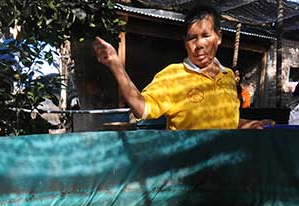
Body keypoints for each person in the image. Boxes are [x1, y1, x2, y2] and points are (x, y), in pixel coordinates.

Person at [93, 4, 272, 130]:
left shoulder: (228, 76)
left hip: (224, 170)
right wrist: (116, 65)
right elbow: (142, 109)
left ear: (219, 37)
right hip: (188, 174)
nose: (199, 44)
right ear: (185, 43)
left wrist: (248, 124)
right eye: (192, 38)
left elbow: (226, 121)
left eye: (205, 35)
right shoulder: (173, 76)